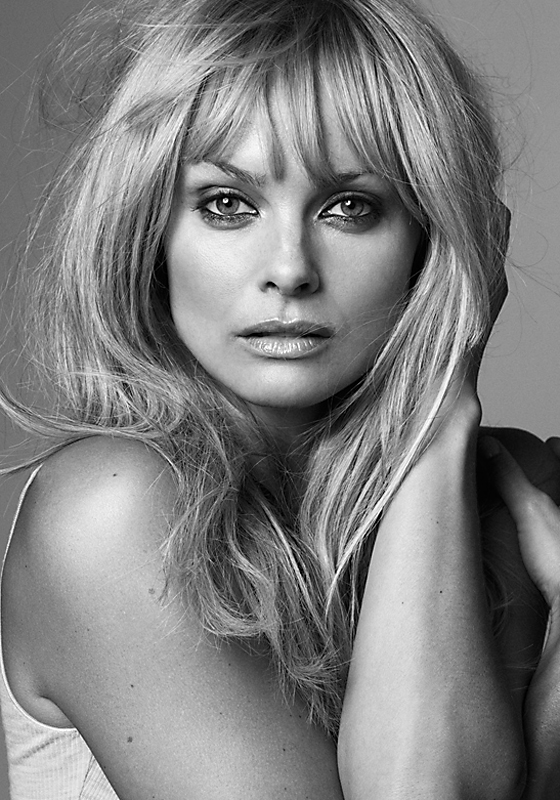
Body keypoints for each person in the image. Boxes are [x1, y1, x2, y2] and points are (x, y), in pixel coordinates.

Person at [1, 0, 560, 797]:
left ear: (430, 239)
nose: (291, 269)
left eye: (350, 207)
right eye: (227, 204)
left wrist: (435, 427)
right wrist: (439, 418)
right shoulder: (110, 512)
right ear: (149, 235)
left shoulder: (506, 500)